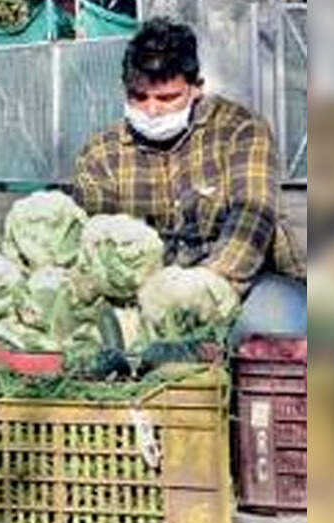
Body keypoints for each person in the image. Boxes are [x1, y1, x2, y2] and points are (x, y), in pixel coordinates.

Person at [73, 17, 306, 342]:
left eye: (168, 98)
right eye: (139, 97)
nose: (152, 111)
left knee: (276, 327)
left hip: (244, 283)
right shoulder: (100, 155)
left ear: (197, 88)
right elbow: (93, 242)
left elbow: (251, 220)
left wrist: (198, 292)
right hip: (143, 300)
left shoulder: (240, 130)